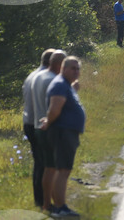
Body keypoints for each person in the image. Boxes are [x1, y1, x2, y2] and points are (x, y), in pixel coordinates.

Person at [39, 56, 85, 217]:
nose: (76, 71)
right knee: (63, 170)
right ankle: (59, 207)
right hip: (62, 132)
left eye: (78, 68)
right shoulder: (59, 85)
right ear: (63, 69)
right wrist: (48, 122)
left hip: (67, 132)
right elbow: (54, 109)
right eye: (72, 68)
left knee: (63, 170)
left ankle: (60, 206)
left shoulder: (65, 85)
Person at [31, 50, 65, 215]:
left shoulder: (38, 77)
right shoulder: (53, 81)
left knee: (47, 167)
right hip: (50, 127)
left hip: (38, 125)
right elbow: (55, 108)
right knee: (52, 168)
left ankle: (47, 203)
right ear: (59, 64)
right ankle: (51, 204)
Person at [23, 49, 55, 210]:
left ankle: (39, 198)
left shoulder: (32, 75)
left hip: (28, 121)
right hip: (38, 122)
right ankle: (42, 199)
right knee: (44, 163)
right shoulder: (46, 78)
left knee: (39, 162)